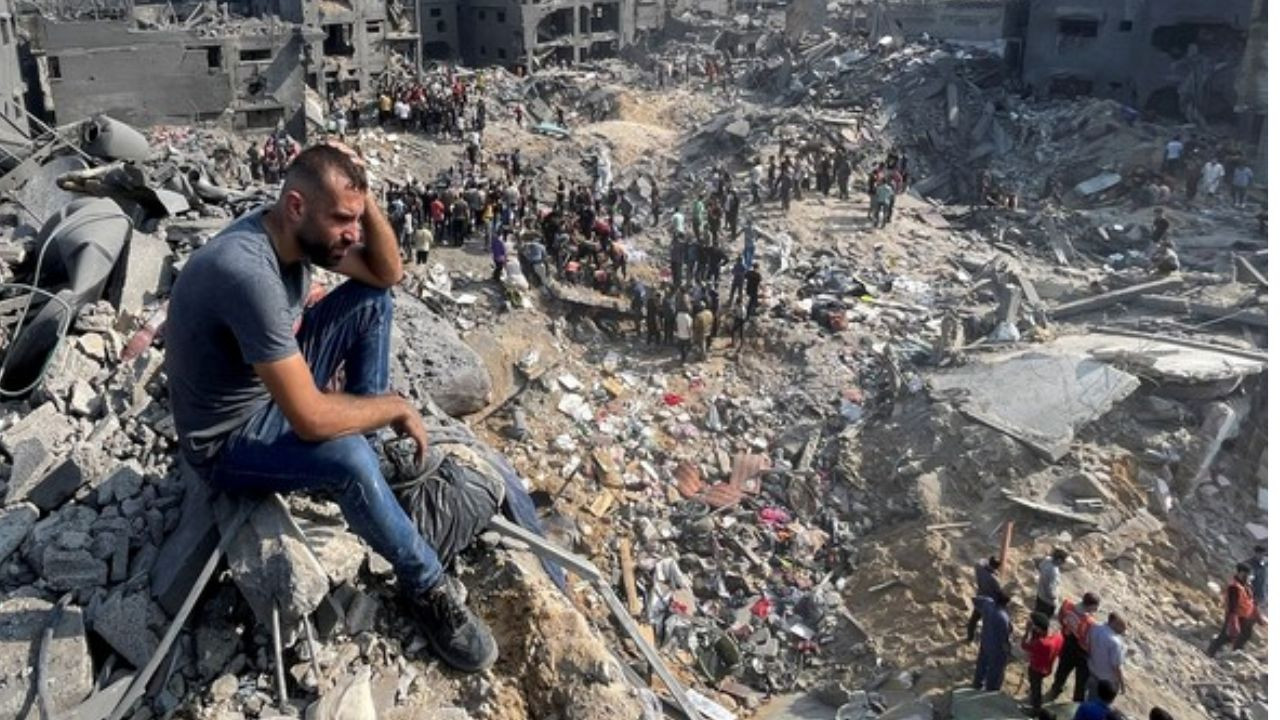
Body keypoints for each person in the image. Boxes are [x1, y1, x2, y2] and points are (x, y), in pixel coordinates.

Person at [165, 145, 497, 673]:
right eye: (343, 219)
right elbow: (311, 419)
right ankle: (427, 587)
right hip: (226, 438)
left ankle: (372, 462)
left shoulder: (299, 234)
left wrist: (364, 197)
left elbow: (387, 275)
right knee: (347, 457)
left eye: (355, 220)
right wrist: (391, 407)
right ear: (296, 205)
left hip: (268, 388)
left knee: (371, 302)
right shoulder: (246, 272)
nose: (352, 233)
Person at [1047, 592, 1101, 703]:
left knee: (1062, 670)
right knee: (1081, 682)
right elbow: (1089, 642)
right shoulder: (1090, 623)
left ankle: (1055, 689)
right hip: (1082, 654)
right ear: (1090, 606)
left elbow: (1061, 619)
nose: (1096, 609)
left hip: (1067, 644)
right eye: (1095, 606)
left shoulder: (1068, 606)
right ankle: (1077, 703)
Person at [1207, 562, 1266, 657]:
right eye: (1248, 575)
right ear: (1241, 573)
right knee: (1227, 635)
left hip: (1245, 616)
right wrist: (1233, 621)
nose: (1249, 578)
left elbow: (1251, 603)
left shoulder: (1247, 586)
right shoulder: (1234, 587)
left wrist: (1258, 618)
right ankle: (1210, 652)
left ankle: (1237, 651)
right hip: (1234, 615)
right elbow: (1232, 606)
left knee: (1246, 634)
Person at [1022, 612, 1064, 715]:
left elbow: (1024, 645)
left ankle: (1035, 710)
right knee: (1036, 687)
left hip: (1036, 669)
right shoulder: (1058, 636)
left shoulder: (1042, 643)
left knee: (1036, 688)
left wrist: (1027, 631)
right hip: (1047, 666)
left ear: (1038, 628)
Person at [973, 590, 1012, 692]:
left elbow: (975, 600)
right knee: (996, 669)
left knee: (982, 664)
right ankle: (991, 689)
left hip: (985, 639)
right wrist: (1008, 652)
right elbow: (1005, 639)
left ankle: (977, 683)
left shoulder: (988, 603)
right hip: (996, 647)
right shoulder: (1003, 618)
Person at [1085, 613, 1126, 700]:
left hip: (1091, 669)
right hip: (1105, 679)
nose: (1123, 630)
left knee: (1087, 695)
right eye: (1121, 626)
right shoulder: (1115, 642)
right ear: (1114, 623)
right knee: (1097, 701)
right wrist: (1122, 684)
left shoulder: (1095, 626)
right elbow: (1116, 667)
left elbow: (1088, 644)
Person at [967, 556, 1003, 642]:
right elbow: (998, 592)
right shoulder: (994, 579)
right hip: (989, 603)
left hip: (980, 598)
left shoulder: (980, 569)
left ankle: (970, 637)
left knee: (973, 620)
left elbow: (980, 561)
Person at [1035, 548, 1068, 617]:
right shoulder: (1054, 572)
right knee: (1044, 618)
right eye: (1064, 561)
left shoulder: (1047, 560)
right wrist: (1054, 597)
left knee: (1037, 615)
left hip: (1040, 595)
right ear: (1059, 560)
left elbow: (1040, 567)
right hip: (1047, 602)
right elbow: (1050, 590)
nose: (1064, 563)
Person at [1247, 544, 1267, 610]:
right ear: (1256, 553)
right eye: (1260, 554)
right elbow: (1248, 580)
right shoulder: (1249, 564)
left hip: (1261, 596)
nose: (1262, 556)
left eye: (1263, 554)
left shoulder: (1264, 565)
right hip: (1250, 595)